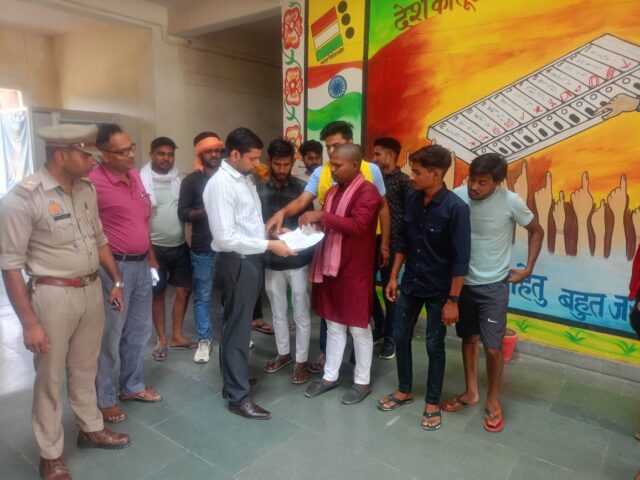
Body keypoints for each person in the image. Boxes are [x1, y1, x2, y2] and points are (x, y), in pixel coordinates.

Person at [0, 124, 130, 480]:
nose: (94, 161)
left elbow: (99, 239)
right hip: (52, 296)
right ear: (61, 155)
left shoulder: (86, 189)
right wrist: (29, 323)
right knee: (49, 377)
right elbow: (10, 266)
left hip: (91, 290)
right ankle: (51, 453)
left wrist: (116, 280)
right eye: (86, 155)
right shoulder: (23, 198)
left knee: (86, 368)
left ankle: (90, 427)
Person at [265, 121, 391, 373]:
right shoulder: (329, 184)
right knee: (333, 319)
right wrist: (295, 230)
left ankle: (361, 374)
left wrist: (385, 244)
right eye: (329, 149)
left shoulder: (370, 179)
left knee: (358, 319)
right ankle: (330, 370)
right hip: (330, 253)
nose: (331, 159)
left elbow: (369, 217)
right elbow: (306, 205)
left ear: (353, 158)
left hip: (359, 253)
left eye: (337, 148)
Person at [442, 153, 543, 433]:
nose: (474, 187)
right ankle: (471, 392)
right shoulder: (457, 196)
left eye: (482, 182)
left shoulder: (511, 202)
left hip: (494, 287)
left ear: (497, 182)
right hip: (462, 285)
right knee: (468, 339)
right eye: (471, 180)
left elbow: (536, 231)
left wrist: (528, 268)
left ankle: (493, 398)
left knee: (494, 347)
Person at [203, 127, 295, 420]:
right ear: (234, 154)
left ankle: (234, 381)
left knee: (238, 326)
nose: (257, 163)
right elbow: (226, 237)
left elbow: (245, 222)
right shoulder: (221, 185)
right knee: (237, 329)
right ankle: (238, 397)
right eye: (252, 158)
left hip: (250, 259)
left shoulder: (243, 179)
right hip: (236, 262)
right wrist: (269, 245)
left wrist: (269, 232)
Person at [380, 145, 470, 432]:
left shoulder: (456, 209)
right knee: (400, 336)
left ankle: (432, 402)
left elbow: (461, 260)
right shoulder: (412, 197)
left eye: (417, 172)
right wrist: (393, 277)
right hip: (411, 283)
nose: (412, 176)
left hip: (439, 290)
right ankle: (404, 389)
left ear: (436, 173)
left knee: (434, 344)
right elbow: (403, 241)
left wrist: (453, 300)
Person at [90, 123, 162, 425]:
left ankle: (131, 386)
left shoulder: (134, 175)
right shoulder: (93, 184)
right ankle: (105, 398)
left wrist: (151, 258)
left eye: (132, 148)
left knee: (139, 330)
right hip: (113, 269)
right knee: (110, 335)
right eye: (123, 152)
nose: (131, 155)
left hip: (142, 265)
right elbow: (91, 234)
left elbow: (141, 223)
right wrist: (114, 274)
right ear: (103, 154)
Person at [302, 144, 382, 405]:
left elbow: (358, 225)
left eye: (337, 165)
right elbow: (330, 226)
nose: (332, 169)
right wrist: (311, 228)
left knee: (359, 327)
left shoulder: (368, 192)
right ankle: (330, 376)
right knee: (334, 324)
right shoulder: (333, 192)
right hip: (331, 267)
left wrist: (322, 216)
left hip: (355, 269)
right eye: (331, 164)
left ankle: (362, 381)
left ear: (355, 166)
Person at [257, 138, 314, 384]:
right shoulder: (258, 189)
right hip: (271, 259)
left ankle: (301, 360)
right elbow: (253, 223)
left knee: (301, 311)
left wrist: (292, 234)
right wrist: (268, 232)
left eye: (286, 164)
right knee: (277, 311)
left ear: (293, 162)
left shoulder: (303, 188)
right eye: (277, 164)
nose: (282, 169)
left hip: (298, 261)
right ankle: (283, 353)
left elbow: (311, 226)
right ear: (269, 161)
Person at [140, 136, 194, 362]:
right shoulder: (141, 181)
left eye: (170, 154)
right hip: (155, 248)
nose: (166, 158)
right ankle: (162, 339)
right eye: (161, 154)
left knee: (184, 290)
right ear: (151, 154)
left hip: (180, 245)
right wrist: (149, 253)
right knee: (158, 294)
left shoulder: (179, 180)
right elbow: (139, 220)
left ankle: (177, 336)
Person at [178, 132, 224, 364]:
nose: (214, 154)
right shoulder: (191, 181)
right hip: (203, 247)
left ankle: (231, 335)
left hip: (228, 247)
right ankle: (204, 340)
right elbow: (183, 213)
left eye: (217, 150)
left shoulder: (229, 177)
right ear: (200, 154)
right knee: (203, 296)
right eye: (209, 151)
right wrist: (207, 210)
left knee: (230, 295)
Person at [371, 137, 411, 360]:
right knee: (367, 288)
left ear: (391, 155)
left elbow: (409, 216)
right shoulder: (372, 179)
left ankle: (391, 338)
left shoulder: (403, 182)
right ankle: (380, 325)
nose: (374, 158)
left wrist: (401, 246)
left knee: (390, 291)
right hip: (372, 241)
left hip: (394, 245)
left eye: (378, 154)